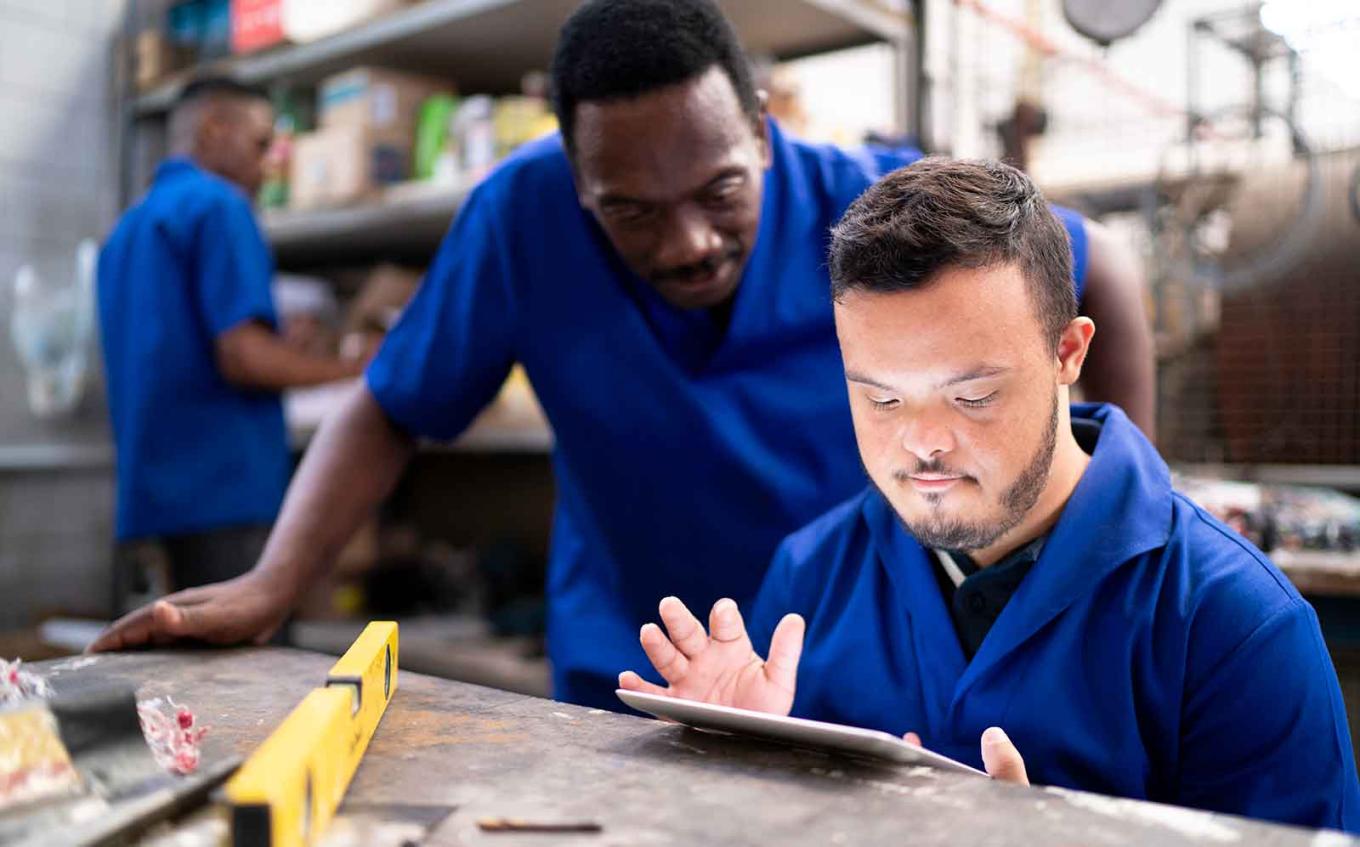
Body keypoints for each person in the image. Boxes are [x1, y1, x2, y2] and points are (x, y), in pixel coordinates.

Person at [92, 1, 1155, 710]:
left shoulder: (864, 208)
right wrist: (279, 581)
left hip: (850, 661)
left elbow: (1099, 267)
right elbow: (390, 405)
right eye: (630, 213)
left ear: (761, 128)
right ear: (574, 173)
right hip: (630, 662)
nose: (686, 242)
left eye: (721, 193)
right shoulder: (521, 218)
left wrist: (1112, 524)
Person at [619, 157, 1360, 831]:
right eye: (881, 401)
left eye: (971, 396)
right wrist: (733, 780)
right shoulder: (810, 577)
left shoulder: (1235, 625)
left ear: (1068, 351)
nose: (924, 443)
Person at [97, 78, 362, 593]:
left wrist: (284, 347)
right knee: (246, 670)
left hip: (153, 501)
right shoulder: (220, 205)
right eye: (261, 144)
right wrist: (356, 369)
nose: (269, 164)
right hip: (227, 501)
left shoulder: (128, 229)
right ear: (215, 128)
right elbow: (244, 358)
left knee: (169, 670)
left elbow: (176, 350)